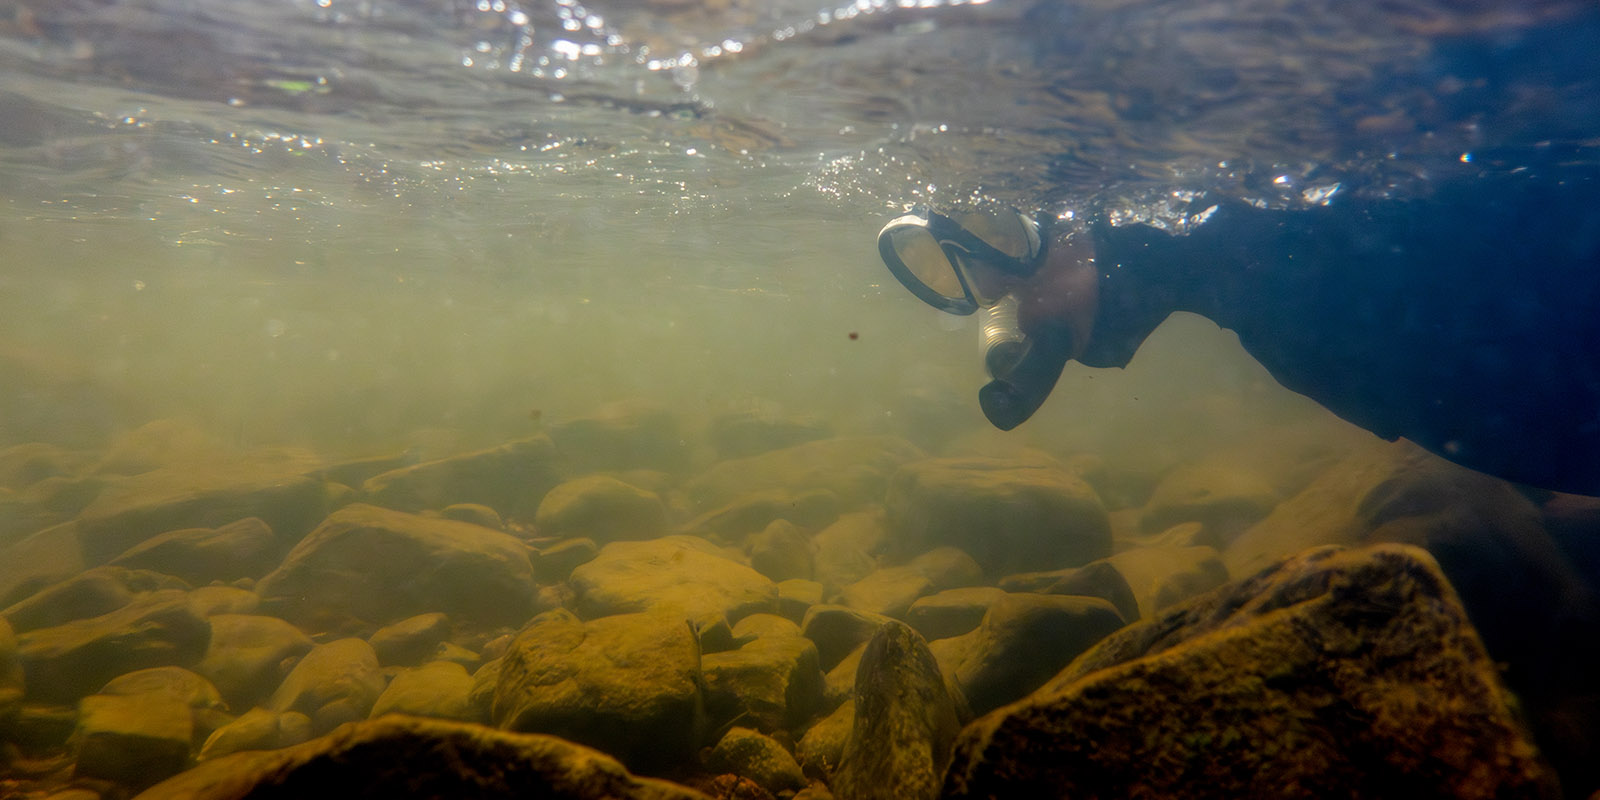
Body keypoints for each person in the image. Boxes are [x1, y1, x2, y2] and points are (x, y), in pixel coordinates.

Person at [877, 158, 1600, 496]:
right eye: (967, 279)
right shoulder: (1261, 295)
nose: (1006, 298)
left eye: (1005, 242)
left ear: (1076, 218)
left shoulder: (1283, 268)